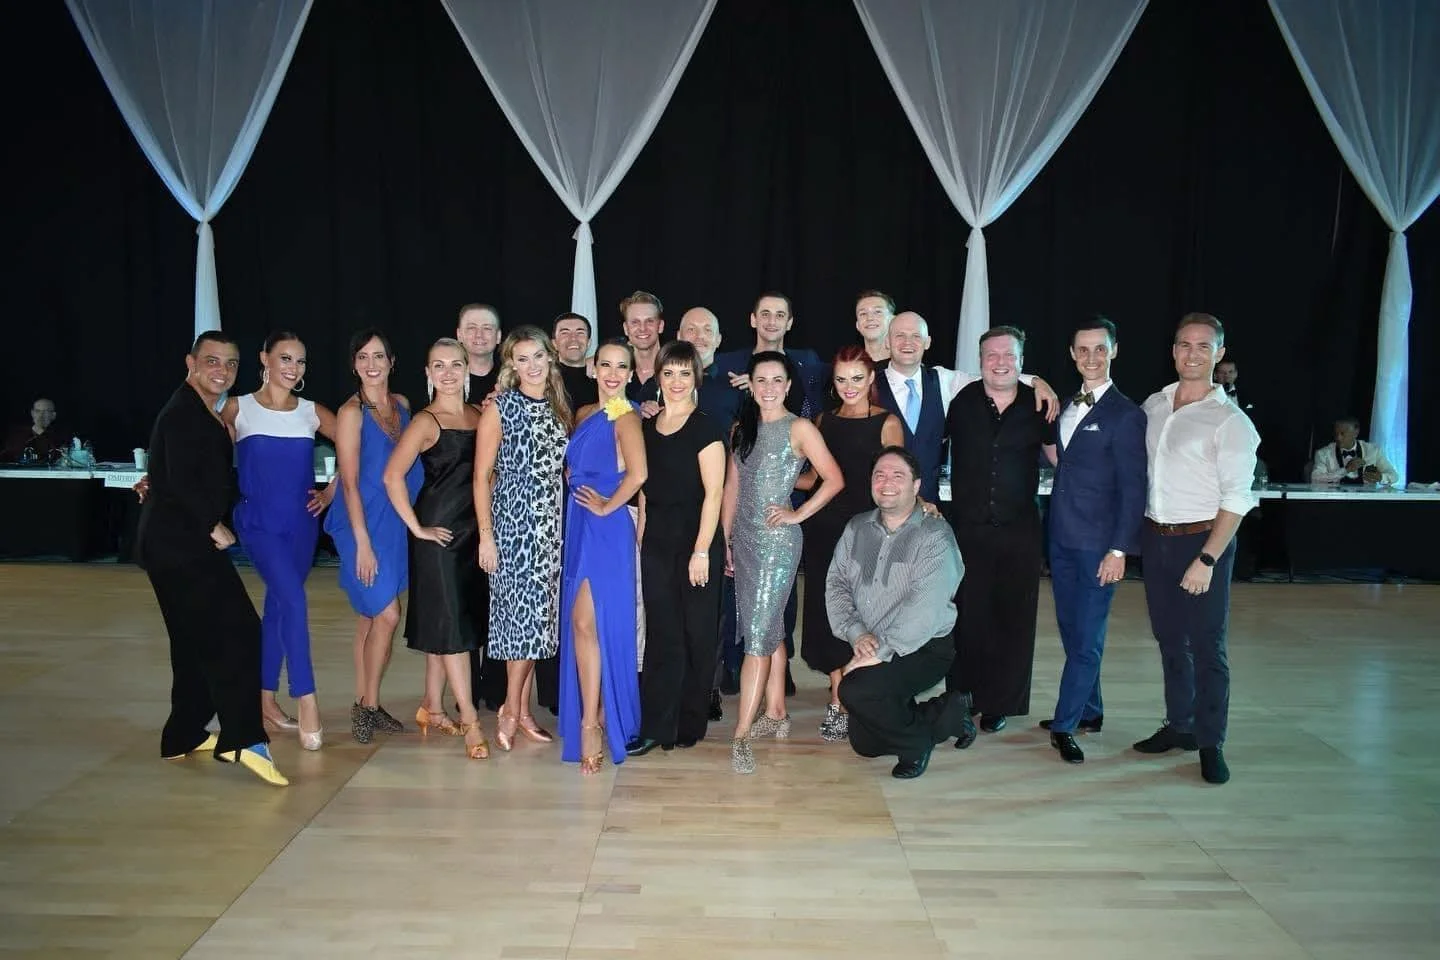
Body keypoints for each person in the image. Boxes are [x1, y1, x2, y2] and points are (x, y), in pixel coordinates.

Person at [136, 331, 285, 786]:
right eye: (213, 361)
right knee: (240, 632)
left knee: (191, 641)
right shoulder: (184, 413)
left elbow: (175, 473)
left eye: (231, 363)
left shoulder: (198, 410)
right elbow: (179, 479)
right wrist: (210, 524)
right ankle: (243, 738)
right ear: (191, 362)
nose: (222, 371)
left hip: (173, 544)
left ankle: (182, 734)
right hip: (181, 546)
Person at [1135, 313, 1260, 785]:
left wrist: (1207, 558)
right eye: (1185, 345)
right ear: (1173, 351)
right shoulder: (1154, 405)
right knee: (1169, 640)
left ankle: (1211, 742)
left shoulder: (1231, 422)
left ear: (1219, 354)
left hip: (1204, 541)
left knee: (1208, 646)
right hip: (1156, 538)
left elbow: (1237, 498)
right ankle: (1180, 725)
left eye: (1203, 346)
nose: (1192, 354)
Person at [721, 351, 844, 774]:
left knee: (757, 635)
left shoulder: (800, 427)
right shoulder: (742, 428)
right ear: (751, 385)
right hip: (744, 539)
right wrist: (725, 538)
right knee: (767, 625)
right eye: (761, 380)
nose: (769, 388)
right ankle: (775, 712)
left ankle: (740, 735)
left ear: (789, 386)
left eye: (777, 380)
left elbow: (834, 478)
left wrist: (797, 513)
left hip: (777, 543)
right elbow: (732, 487)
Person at [222, 331, 337, 751]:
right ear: (264, 359)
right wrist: (158, 479)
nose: (293, 367)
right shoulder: (239, 408)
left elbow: (357, 448)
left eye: (300, 361)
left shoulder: (311, 412)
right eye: (285, 358)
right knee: (293, 599)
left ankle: (265, 702)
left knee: (277, 608)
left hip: (302, 526)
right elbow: (200, 453)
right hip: (258, 523)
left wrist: (331, 492)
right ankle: (307, 698)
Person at [828, 446, 974, 778]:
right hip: (871, 640)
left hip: (923, 647)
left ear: (916, 486)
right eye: (879, 475)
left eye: (898, 475)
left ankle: (916, 744)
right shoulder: (857, 528)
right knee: (866, 744)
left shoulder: (935, 535)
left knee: (853, 690)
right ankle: (948, 712)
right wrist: (857, 634)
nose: (887, 483)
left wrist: (878, 652)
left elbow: (925, 608)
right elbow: (836, 584)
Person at [1039, 316, 1147, 765]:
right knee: (1072, 630)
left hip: (1099, 546)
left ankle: (1065, 725)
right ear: (1072, 354)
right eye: (1083, 349)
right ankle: (1090, 710)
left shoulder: (1127, 414)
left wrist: (1119, 549)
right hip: (1062, 539)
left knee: (1086, 637)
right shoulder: (1066, 404)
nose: (1091, 357)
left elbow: (1134, 489)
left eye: (1099, 349)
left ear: (1114, 351)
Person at [382, 338, 489, 761]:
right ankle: (472, 721)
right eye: (438, 366)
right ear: (427, 373)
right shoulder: (426, 422)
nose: (448, 373)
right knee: (454, 631)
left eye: (455, 365)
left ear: (466, 369)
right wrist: (417, 528)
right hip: (439, 537)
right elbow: (392, 476)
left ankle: (433, 707)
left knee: (452, 624)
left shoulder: (478, 414)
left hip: (473, 534)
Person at [945, 326, 1052, 737]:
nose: (1000, 362)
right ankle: (962, 698)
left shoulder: (1040, 405)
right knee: (966, 617)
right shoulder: (961, 401)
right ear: (980, 360)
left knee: (1013, 619)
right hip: (967, 531)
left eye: (1009, 355)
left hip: (1018, 531)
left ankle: (999, 703)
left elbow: (1060, 458)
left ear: (1022, 361)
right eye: (991, 354)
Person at [796, 346, 904, 742]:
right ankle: (838, 700)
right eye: (841, 379)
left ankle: (860, 697)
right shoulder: (823, 420)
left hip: (868, 534)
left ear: (871, 378)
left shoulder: (887, 422)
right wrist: (762, 474)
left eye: (857, 378)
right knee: (827, 615)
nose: (849, 386)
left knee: (865, 614)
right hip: (825, 531)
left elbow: (898, 480)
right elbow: (815, 479)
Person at [475, 326, 570, 751]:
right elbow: (481, 477)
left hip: (550, 529)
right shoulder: (500, 407)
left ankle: (521, 710)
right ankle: (512, 708)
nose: (532, 365)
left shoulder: (558, 406)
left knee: (536, 624)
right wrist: (486, 537)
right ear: (511, 364)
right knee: (521, 623)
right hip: (513, 527)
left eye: (538, 356)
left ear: (550, 358)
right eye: (522, 358)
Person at [630, 340, 728, 754]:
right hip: (657, 541)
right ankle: (657, 726)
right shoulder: (647, 428)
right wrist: (642, 536)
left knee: (696, 632)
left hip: (696, 541)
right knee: (661, 633)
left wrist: (701, 550)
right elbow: (644, 489)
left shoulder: (706, 427)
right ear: (658, 377)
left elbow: (714, 493)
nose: (676, 381)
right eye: (668, 373)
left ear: (696, 378)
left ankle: (689, 722)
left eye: (684, 373)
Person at [325, 329, 421, 743]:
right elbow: (348, 482)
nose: (371, 364)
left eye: (378, 356)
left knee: (369, 616)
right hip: (360, 523)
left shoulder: (401, 405)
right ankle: (364, 708)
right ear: (354, 364)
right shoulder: (351, 413)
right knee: (388, 614)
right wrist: (362, 542)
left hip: (393, 522)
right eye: (362, 357)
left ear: (391, 361)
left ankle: (369, 701)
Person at [559, 339, 646, 773]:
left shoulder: (626, 415)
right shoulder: (585, 415)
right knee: (581, 624)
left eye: (621, 367)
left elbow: (639, 473)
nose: (613, 374)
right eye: (606, 365)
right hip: (580, 524)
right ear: (593, 368)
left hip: (606, 528)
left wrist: (609, 506)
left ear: (630, 373)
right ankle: (593, 713)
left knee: (589, 622)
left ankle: (592, 721)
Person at [1310, 416, 1399, 485]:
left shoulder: (1373, 450)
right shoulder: (1323, 453)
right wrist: (1346, 470)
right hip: (1335, 499)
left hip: (1366, 500)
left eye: (1342, 434)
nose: (1338, 438)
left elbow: (1394, 476)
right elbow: (1315, 478)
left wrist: (1381, 477)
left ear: (1356, 433)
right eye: (1336, 434)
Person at [553, 311, 599, 409]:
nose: (573, 338)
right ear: (554, 344)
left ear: (589, 343)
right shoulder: (545, 383)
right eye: (565, 333)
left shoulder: (602, 384)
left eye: (580, 333)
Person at [2, 397, 62, 463]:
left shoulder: (59, 439)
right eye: (37, 411)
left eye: (46, 412)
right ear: (32, 413)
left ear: (53, 415)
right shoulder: (16, 437)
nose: (41, 416)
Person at [854, 290, 895, 364]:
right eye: (863, 313)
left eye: (877, 312)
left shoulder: (909, 365)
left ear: (892, 320)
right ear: (857, 325)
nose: (870, 318)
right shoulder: (849, 367)